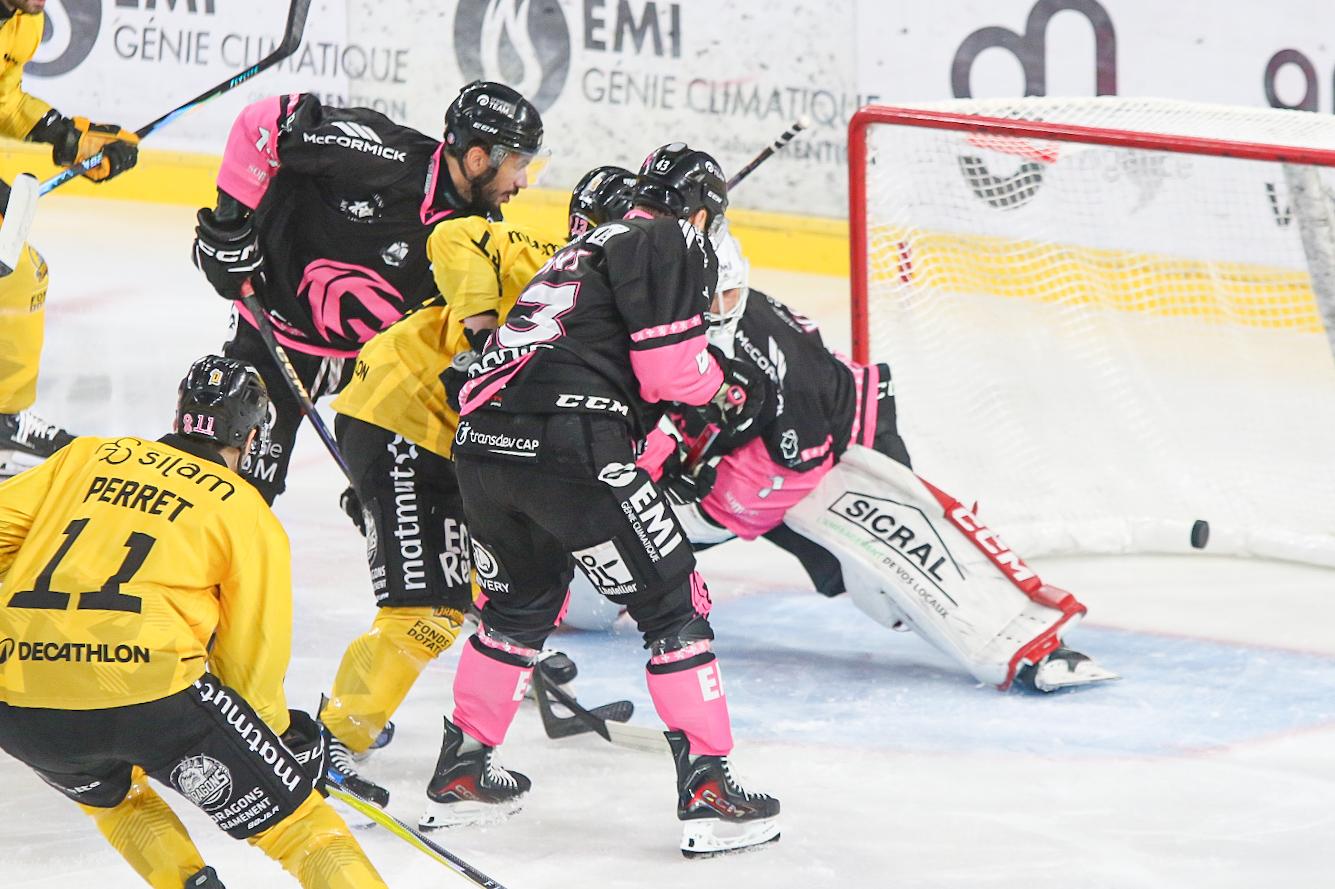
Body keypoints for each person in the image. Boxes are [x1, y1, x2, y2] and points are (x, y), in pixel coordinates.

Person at [567, 229, 1118, 693]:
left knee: (886, 578)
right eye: (705, 299)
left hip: (827, 454)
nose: (716, 311)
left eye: (728, 296)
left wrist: (688, 503)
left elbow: (776, 480)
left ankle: (1032, 649)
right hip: (762, 451)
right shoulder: (667, 325)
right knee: (603, 575)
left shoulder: (778, 376)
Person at [424, 143, 780, 858]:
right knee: (674, 605)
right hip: (571, 441)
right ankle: (709, 791)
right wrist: (723, 387)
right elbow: (669, 371)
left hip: (483, 446)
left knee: (517, 608)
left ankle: (463, 770)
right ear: (702, 212)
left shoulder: (582, 248)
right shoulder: (674, 239)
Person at [0, 355, 387, 889]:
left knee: (115, 798)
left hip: (19, 701)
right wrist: (277, 741)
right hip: (150, 695)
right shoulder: (244, 510)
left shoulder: (86, 456)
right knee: (299, 829)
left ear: (180, 415)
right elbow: (251, 662)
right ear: (252, 439)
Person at [316, 173, 581, 805]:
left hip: (451, 440)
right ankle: (330, 743)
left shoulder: (615, 306)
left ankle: (361, 712)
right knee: (427, 610)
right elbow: (454, 235)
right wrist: (484, 335)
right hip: (405, 416)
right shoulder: (554, 264)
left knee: (481, 572)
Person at [191, 80, 544, 503]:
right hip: (275, 331)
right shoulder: (377, 152)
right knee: (236, 486)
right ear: (478, 158)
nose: (523, 180)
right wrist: (229, 223)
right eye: (519, 163)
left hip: (367, 361)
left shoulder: (477, 234)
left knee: (406, 489)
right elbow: (264, 123)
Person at [0, 1, 139, 474]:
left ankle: (4, 420)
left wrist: (68, 136)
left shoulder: (25, 19)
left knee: (19, 273)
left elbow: (5, 101)